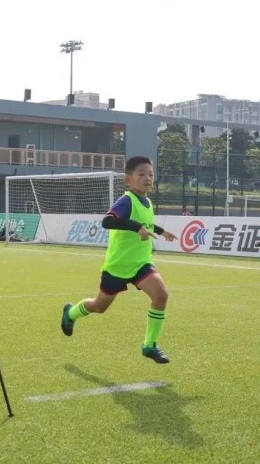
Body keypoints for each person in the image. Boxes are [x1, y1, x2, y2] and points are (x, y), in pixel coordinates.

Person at [60, 156, 178, 364]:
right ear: (128, 179)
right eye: (141, 174)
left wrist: (162, 231)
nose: (148, 178)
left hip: (141, 264)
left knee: (161, 295)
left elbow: (146, 224)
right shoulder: (126, 200)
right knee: (99, 306)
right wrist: (136, 228)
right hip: (118, 266)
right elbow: (108, 221)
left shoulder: (148, 202)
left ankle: (149, 346)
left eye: (150, 174)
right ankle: (71, 313)